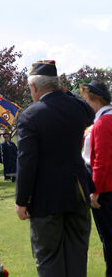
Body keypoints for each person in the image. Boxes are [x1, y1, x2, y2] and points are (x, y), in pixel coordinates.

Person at [16, 60, 95, 277]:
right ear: (58, 84)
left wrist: (22, 200)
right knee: (77, 257)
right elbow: (89, 110)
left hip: (45, 199)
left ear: (34, 88)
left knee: (49, 260)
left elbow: (26, 163)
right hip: (78, 192)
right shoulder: (79, 108)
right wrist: (63, 92)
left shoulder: (30, 116)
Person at [80, 80, 112, 277]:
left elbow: (101, 161)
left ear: (92, 99)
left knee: (108, 238)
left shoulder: (102, 123)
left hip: (106, 190)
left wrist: (95, 191)